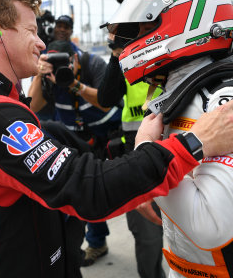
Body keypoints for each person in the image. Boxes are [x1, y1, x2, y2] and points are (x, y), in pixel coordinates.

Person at [0, 0, 233, 278]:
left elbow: (85, 166)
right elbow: (87, 191)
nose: (42, 43)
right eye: (32, 31)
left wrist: (143, 149)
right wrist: (196, 142)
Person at [103, 0, 233, 277]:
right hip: (183, 267)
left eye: (141, 29)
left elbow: (210, 225)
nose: (126, 44)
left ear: (185, 21)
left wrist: (145, 153)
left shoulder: (229, 97)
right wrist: (150, 187)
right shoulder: (178, 93)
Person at [29, 39, 121, 266]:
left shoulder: (94, 65)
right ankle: (95, 242)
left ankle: (101, 240)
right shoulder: (46, 77)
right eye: (53, 63)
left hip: (105, 135)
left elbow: (106, 103)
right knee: (82, 193)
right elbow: (32, 108)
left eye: (66, 62)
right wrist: (40, 75)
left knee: (105, 191)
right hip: (73, 139)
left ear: (76, 58)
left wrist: (74, 84)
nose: (61, 68)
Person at [97, 21, 164, 278]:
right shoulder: (124, 60)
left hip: (174, 150)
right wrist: (117, 54)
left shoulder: (169, 52)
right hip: (137, 155)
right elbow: (106, 99)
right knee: (147, 237)